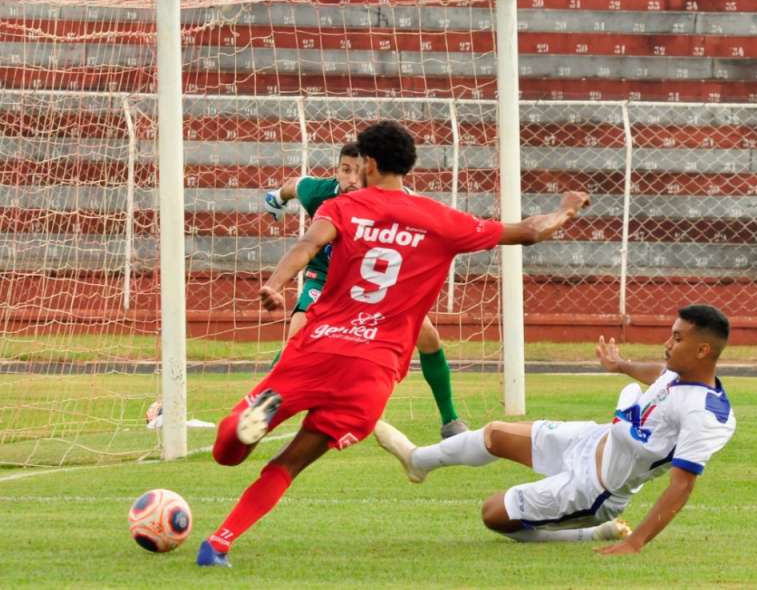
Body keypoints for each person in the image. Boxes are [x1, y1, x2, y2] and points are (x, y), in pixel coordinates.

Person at [196, 120, 591, 567]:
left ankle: (244, 429)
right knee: (289, 464)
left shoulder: (345, 207)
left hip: (319, 346)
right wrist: (566, 210)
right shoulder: (442, 220)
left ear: (369, 163)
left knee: (227, 453)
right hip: (372, 372)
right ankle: (218, 544)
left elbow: (307, 244)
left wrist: (274, 284)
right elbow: (529, 231)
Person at [373, 304, 736, 555]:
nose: (667, 344)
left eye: (677, 338)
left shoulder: (705, 415)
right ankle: (418, 461)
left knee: (494, 514)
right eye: (671, 335)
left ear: (703, 349)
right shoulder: (677, 372)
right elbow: (659, 375)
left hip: (595, 488)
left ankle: (586, 532)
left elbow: (682, 485)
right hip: (593, 439)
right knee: (495, 434)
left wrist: (636, 542)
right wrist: (620, 365)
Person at [261, 142, 468, 438]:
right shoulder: (320, 192)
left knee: (427, 335)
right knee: (298, 333)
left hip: (374, 285)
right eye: (345, 170)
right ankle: (261, 411)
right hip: (325, 278)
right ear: (336, 171)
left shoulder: (399, 201)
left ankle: (451, 420)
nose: (352, 180)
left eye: (359, 172)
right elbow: (294, 185)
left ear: (373, 172)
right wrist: (276, 198)